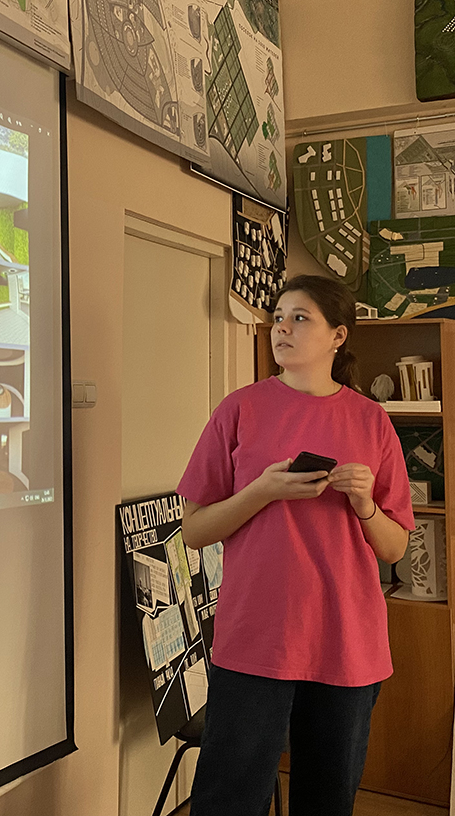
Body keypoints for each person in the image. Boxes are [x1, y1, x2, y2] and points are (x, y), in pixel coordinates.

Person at [177, 274, 413, 816]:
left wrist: (364, 504)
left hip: (347, 641)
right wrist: (262, 491)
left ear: (338, 336)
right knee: (229, 800)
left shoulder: (372, 420)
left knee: (327, 800)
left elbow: (395, 548)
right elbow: (194, 530)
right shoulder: (240, 409)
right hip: (257, 637)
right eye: (278, 317)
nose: (281, 327)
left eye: (300, 318)